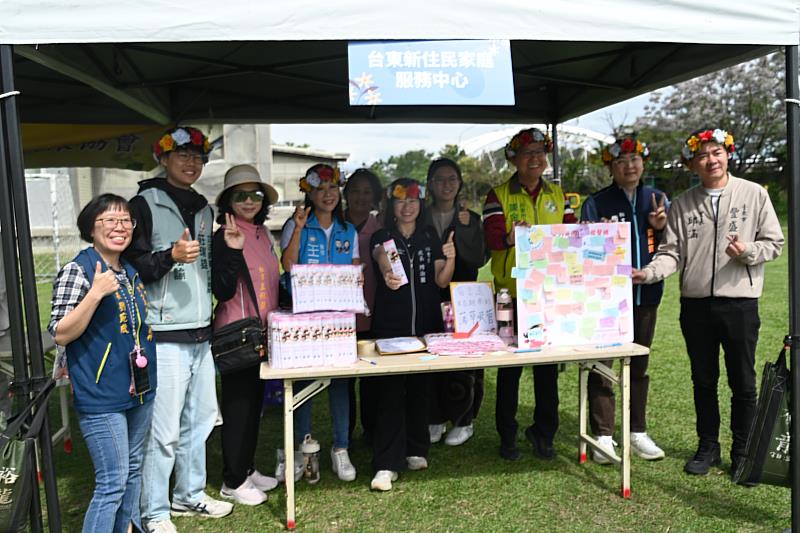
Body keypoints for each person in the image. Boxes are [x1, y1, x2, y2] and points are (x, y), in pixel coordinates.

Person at [633, 127, 784, 478]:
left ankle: (743, 450)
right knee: (703, 379)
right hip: (696, 305)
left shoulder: (753, 195)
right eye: (702, 155)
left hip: (740, 304)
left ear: (728, 153)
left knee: (743, 382)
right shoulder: (684, 203)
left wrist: (748, 252)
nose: (711, 160)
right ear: (692, 164)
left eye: (716, 152)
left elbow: (774, 242)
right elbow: (671, 253)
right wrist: (648, 274)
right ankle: (708, 446)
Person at [126, 127, 231, 533]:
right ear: (165, 158)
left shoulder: (204, 209)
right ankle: (154, 511)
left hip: (201, 332)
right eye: (183, 155)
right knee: (163, 431)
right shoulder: (144, 204)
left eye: (198, 157)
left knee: (201, 421)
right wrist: (169, 256)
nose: (191, 163)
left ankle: (189, 495)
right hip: (163, 334)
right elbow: (133, 265)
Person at [48, 194, 157, 533]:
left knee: (134, 470)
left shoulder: (128, 270)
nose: (119, 227)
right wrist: (95, 294)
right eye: (109, 220)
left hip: (139, 388)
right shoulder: (78, 270)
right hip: (102, 393)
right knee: (112, 482)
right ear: (91, 228)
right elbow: (60, 333)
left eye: (126, 220)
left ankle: (129, 528)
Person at [482, 127, 576, 461]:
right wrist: (509, 238)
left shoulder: (558, 195)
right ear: (514, 159)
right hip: (511, 295)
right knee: (510, 370)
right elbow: (491, 238)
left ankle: (543, 433)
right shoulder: (498, 195)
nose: (535, 159)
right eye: (527, 154)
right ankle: (507, 435)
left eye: (540, 153)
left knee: (547, 370)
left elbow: (572, 237)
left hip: (549, 295)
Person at [581, 136, 668, 463]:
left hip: (646, 294)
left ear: (643, 162)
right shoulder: (597, 202)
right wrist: (596, 236)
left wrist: (660, 226)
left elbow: (670, 245)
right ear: (610, 167)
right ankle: (603, 435)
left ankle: (637, 431)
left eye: (634, 160)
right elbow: (581, 250)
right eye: (620, 162)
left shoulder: (657, 198)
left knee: (639, 365)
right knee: (603, 365)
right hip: (605, 300)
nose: (629, 166)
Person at [369, 178, 456, 491]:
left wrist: (451, 257)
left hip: (426, 329)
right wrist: (387, 271)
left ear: (421, 204)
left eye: (413, 201)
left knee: (421, 390)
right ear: (391, 206)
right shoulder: (384, 235)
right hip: (391, 328)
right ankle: (385, 464)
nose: (407, 207)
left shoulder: (429, 235)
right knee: (391, 395)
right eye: (401, 201)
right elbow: (381, 255)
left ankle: (417, 448)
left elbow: (441, 280)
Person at [280, 163, 359, 483]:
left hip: (340, 316)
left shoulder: (347, 229)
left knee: (340, 383)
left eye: (333, 188)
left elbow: (354, 269)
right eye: (321, 189)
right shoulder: (297, 223)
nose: (328, 194)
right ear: (308, 192)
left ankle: (341, 448)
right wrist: (298, 228)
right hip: (304, 317)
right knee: (304, 384)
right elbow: (287, 264)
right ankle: (302, 448)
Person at [212, 164, 281, 505]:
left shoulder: (262, 232)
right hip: (238, 335)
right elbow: (222, 289)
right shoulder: (224, 233)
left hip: (263, 335)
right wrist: (232, 249)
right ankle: (233, 480)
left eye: (254, 195)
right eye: (241, 196)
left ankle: (247, 468)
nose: (249, 201)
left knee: (254, 406)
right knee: (238, 407)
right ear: (228, 201)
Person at [423, 158, 486, 447]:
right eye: (439, 179)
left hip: (462, 297)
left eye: (452, 178)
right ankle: (434, 416)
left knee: (464, 360)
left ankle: (464, 420)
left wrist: (468, 230)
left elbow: (478, 258)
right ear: (430, 184)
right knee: (432, 358)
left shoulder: (470, 218)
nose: (446, 184)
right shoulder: (420, 216)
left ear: (459, 183)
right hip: (429, 296)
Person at [342, 168, 383, 443]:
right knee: (343, 382)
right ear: (345, 194)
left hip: (373, 313)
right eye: (355, 190)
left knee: (371, 379)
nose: (360, 197)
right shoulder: (334, 224)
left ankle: (371, 431)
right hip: (340, 316)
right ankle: (344, 436)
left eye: (367, 191)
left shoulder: (380, 229)